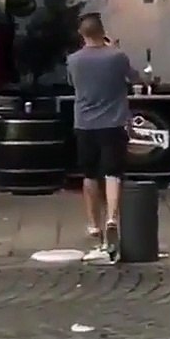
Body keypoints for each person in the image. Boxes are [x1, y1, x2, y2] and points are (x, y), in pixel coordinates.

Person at [67, 14, 134, 262]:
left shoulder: (73, 60)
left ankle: (93, 224)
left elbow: (73, 84)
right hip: (113, 123)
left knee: (90, 175)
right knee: (113, 173)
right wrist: (113, 48)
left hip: (84, 124)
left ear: (81, 34)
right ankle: (112, 218)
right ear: (103, 32)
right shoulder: (117, 56)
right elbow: (134, 77)